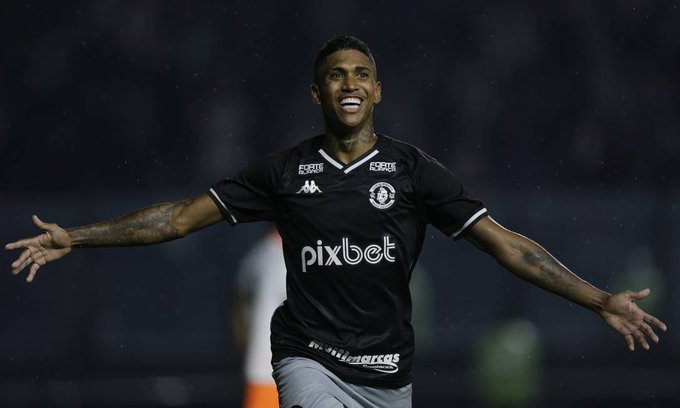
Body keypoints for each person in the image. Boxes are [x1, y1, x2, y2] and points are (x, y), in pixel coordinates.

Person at [5, 36, 667, 408]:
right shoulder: (284, 172)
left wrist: (599, 299)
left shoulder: (414, 172)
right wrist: (77, 237)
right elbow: (178, 219)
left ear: (376, 91)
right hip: (308, 359)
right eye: (335, 76)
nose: (349, 83)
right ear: (317, 92)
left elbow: (509, 248)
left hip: (389, 374)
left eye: (360, 74)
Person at [231, 227, 287, 408]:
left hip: (262, 375)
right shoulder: (291, 259)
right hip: (282, 380)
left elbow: (238, 316)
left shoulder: (257, 256)